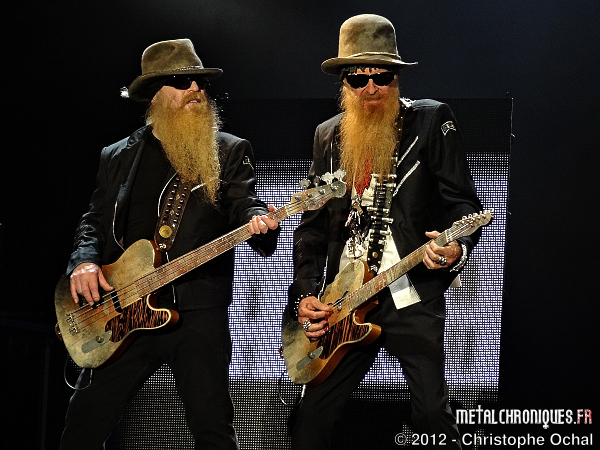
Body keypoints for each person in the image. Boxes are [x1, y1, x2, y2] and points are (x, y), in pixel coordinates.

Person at [60, 39, 279, 450]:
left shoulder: (228, 150)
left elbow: (244, 204)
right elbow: (95, 220)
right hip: (123, 309)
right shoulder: (117, 155)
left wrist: (258, 221)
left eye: (200, 81)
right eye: (181, 81)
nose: (196, 88)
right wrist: (84, 262)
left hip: (197, 313)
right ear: (154, 93)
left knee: (212, 430)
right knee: (83, 425)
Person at [287, 15, 482, 449]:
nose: (371, 88)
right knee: (309, 423)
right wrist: (304, 296)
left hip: (409, 293)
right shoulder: (327, 137)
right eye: (359, 79)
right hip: (344, 300)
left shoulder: (430, 120)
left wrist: (455, 246)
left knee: (431, 416)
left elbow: (465, 205)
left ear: (396, 77)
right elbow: (311, 228)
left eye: (382, 76)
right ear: (345, 82)